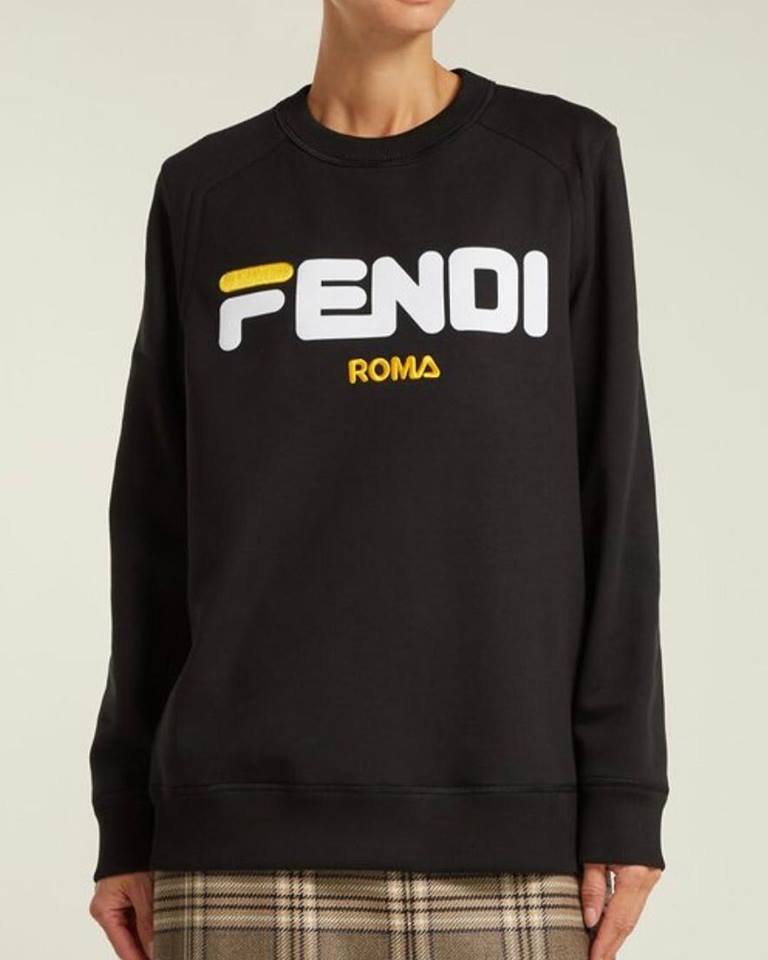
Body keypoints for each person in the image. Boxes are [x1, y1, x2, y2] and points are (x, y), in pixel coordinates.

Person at [87, 1, 669, 958]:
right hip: (241, 834)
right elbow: (153, 517)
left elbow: (615, 488)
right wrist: (125, 817)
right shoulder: (208, 191)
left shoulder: (560, 162)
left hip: (513, 833)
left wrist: (624, 791)